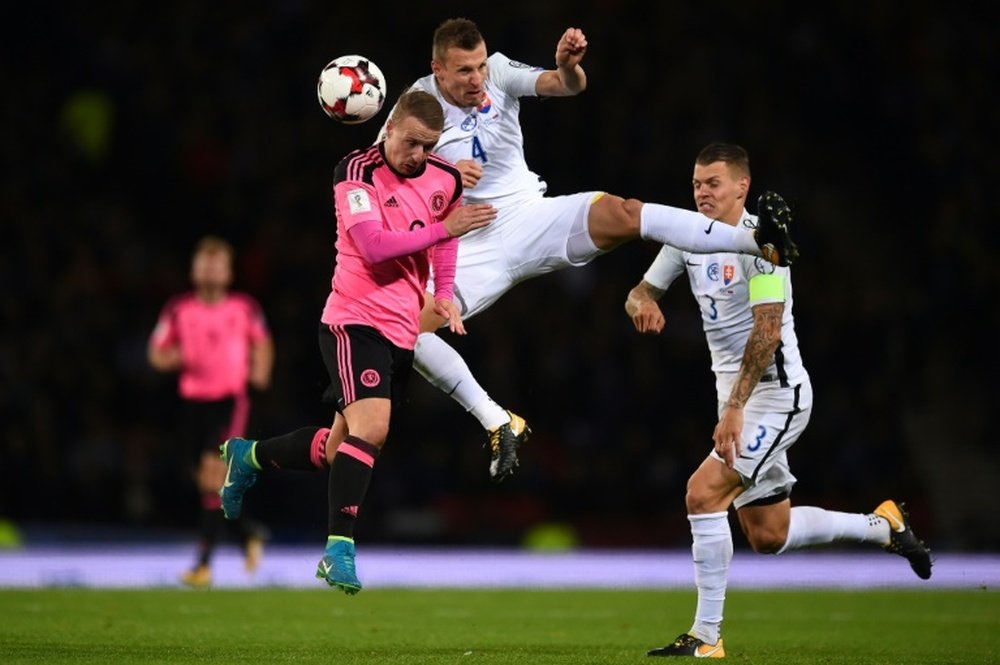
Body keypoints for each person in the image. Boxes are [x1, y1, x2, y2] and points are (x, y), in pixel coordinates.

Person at [381, 18, 799, 482]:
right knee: (401, 328)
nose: (476, 79)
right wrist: (444, 172)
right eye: (463, 72)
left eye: (479, 66)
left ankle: (757, 241)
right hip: (466, 243)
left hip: (527, 216)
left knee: (622, 212)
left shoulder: (498, 73)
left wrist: (567, 67)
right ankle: (498, 421)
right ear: (436, 69)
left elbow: (565, 85)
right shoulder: (412, 109)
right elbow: (392, 191)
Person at [624, 143, 932, 658]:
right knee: (769, 534)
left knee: (702, 494)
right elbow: (639, 291)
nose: (702, 192)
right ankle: (883, 525)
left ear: (741, 187)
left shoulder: (763, 243)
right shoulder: (686, 237)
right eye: (697, 183)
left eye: (713, 183)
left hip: (775, 396)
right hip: (737, 400)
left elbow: (766, 335)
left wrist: (735, 408)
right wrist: (642, 303)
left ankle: (706, 636)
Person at [218, 89, 496, 594]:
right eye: (410, 143)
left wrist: (446, 290)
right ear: (389, 128)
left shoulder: (445, 177)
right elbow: (371, 247)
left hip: (401, 327)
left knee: (338, 449)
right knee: (375, 426)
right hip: (353, 318)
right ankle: (338, 549)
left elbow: (448, 236)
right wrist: (441, 229)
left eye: (427, 146)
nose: (417, 156)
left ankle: (249, 456)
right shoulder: (356, 171)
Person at [148, 235, 275, 588]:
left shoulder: (243, 308)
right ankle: (249, 532)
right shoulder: (179, 308)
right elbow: (157, 351)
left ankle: (203, 564)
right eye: (204, 263)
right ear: (193, 270)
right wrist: (169, 359)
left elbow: (262, 342)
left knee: (210, 476)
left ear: (229, 272)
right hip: (192, 404)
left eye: (217, 264)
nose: (210, 270)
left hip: (229, 402)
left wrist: (261, 371)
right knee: (207, 482)